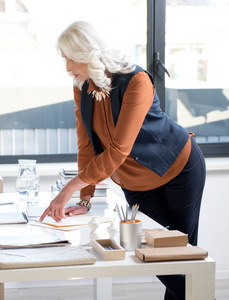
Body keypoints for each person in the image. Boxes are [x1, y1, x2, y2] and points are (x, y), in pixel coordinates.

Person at [39, 21, 206, 300]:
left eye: (70, 58)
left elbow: (118, 149)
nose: (67, 67)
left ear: (86, 53)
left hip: (179, 168)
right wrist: (84, 199)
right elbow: (87, 146)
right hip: (135, 181)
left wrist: (67, 188)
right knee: (153, 251)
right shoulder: (82, 87)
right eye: (64, 59)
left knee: (180, 251)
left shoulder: (136, 80)